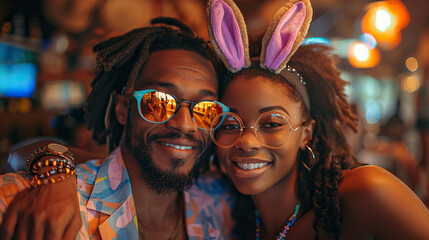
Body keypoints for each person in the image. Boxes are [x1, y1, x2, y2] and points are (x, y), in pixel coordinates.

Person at [205, 0, 429, 239]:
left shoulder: (366, 193)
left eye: (272, 123)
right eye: (229, 124)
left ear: (306, 133)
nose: (247, 142)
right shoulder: (233, 223)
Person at [0, 17, 236, 239]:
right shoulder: (27, 204)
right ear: (122, 109)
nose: (185, 124)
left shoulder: (225, 204)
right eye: (158, 102)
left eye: (205, 109)